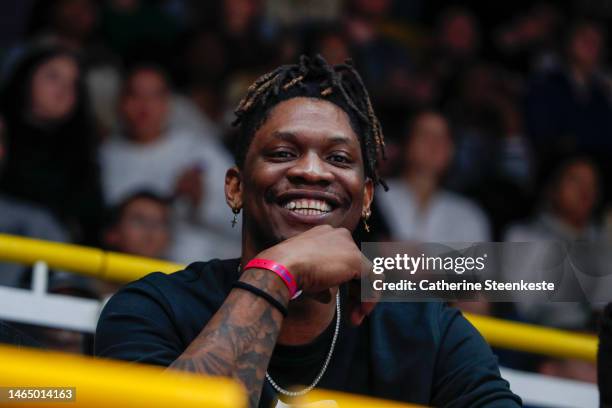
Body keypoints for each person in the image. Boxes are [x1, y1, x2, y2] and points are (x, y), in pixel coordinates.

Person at [95, 55, 520, 408]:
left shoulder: (432, 333)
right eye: (283, 152)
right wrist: (274, 274)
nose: (312, 171)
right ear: (236, 186)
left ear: (367, 197)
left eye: (338, 158)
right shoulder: (151, 309)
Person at [99, 63, 238, 242]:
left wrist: (201, 199)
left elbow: (242, 219)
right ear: (120, 102)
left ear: (168, 103)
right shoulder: (104, 156)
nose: (145, 106)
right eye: (135, 95)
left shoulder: (197, 148)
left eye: (154, 96)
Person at [0, 46, 104, 245]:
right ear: (26, 77)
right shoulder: (2, 129)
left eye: (73, 83)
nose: (64, 89)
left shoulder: (83, 154)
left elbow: (89, 225)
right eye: (53, 77)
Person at [376, 110, 491, 242]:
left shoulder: (468, 215)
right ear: (407, 144)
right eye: (425, 135)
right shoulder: (374, 199)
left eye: (443, 138)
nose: (434, 145)